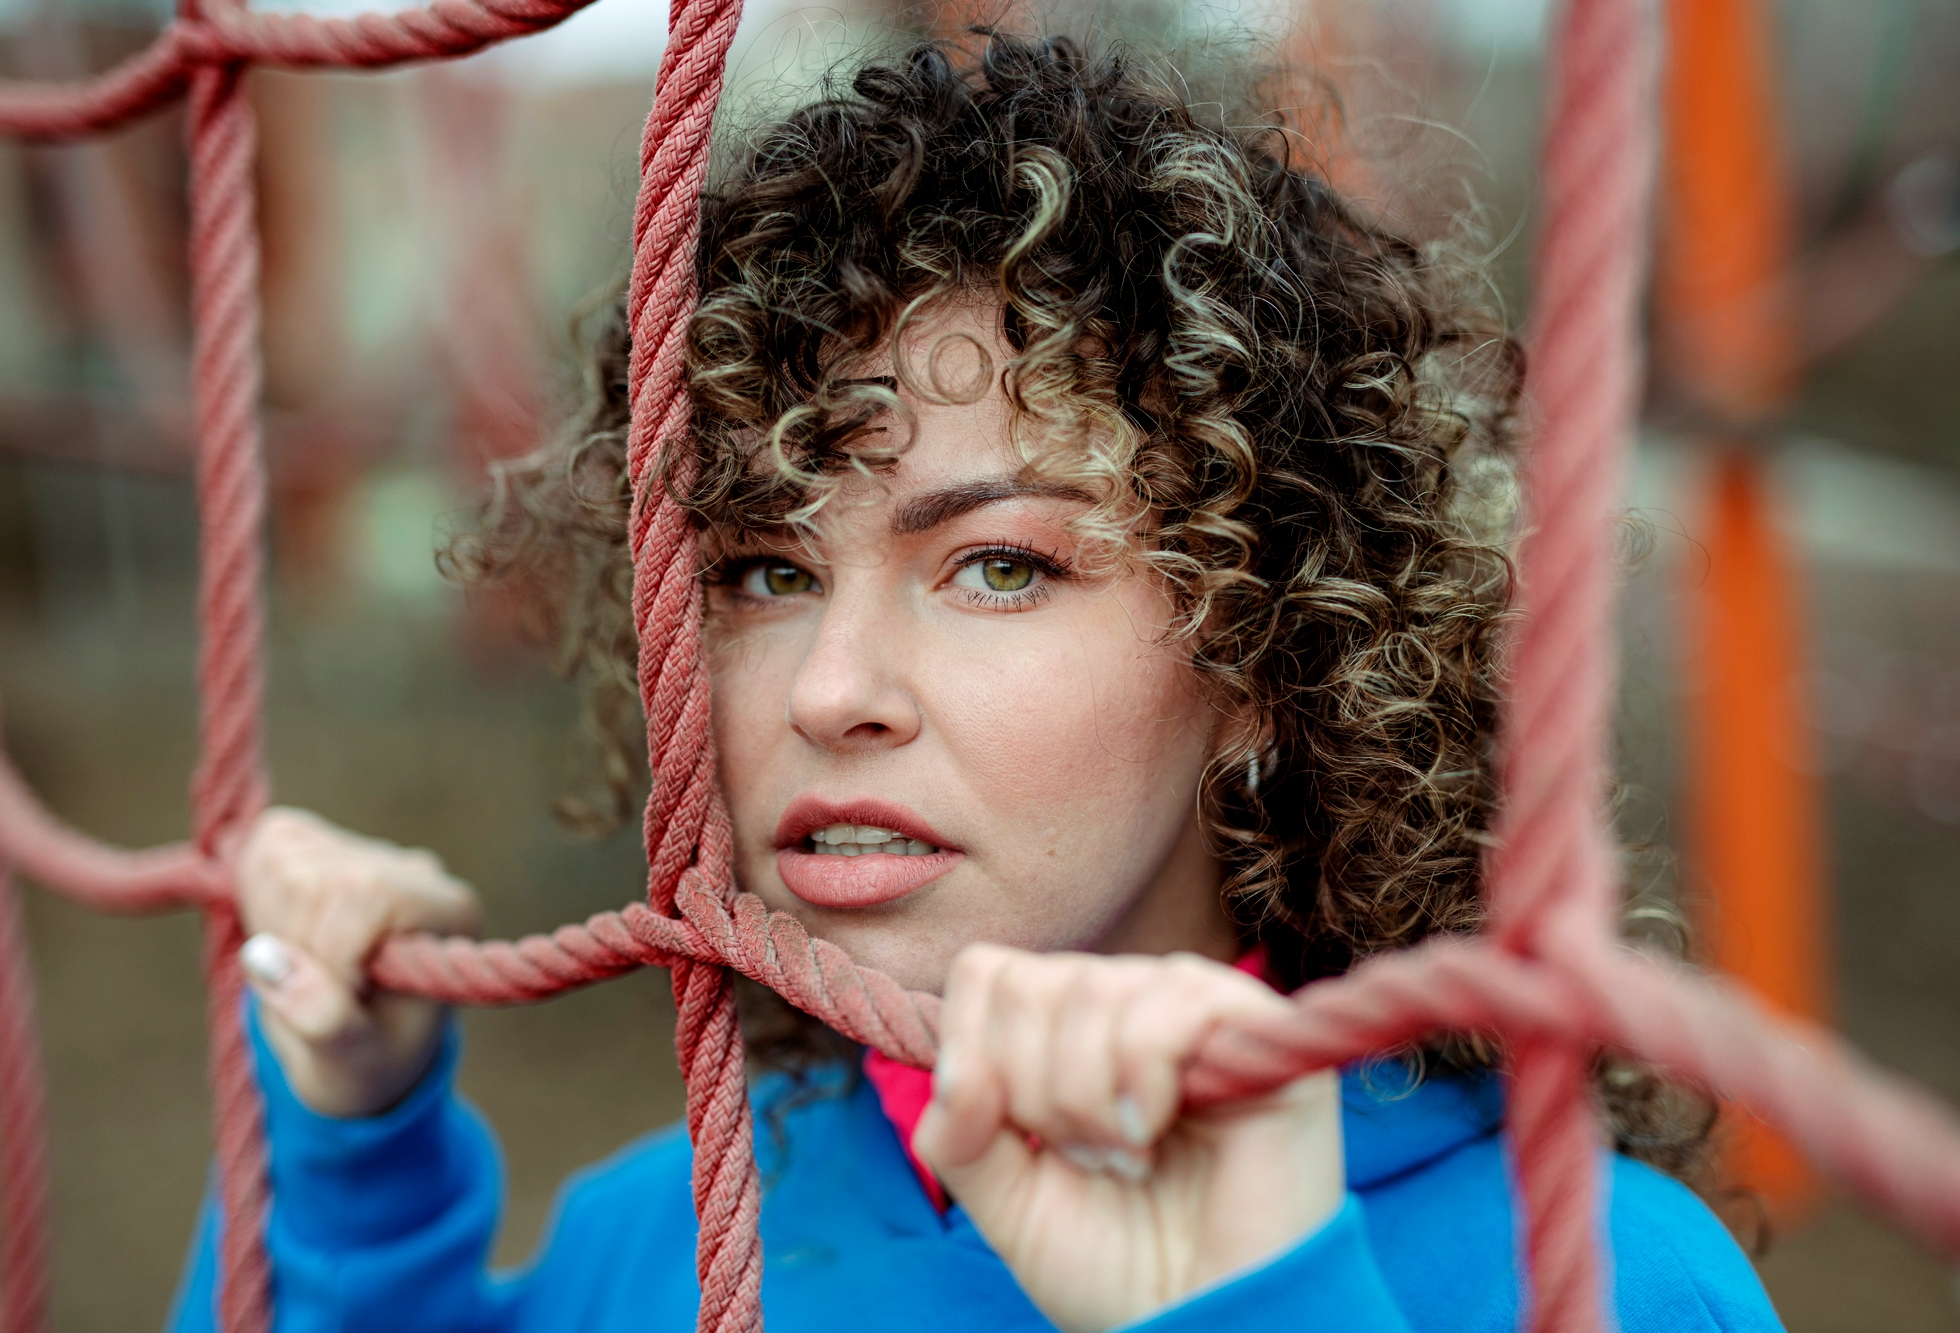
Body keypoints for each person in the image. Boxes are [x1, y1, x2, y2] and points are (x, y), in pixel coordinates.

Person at [170, 32, 1783, 1333]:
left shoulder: (1601, 1278)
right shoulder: (659, 1237)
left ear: (1264, 651)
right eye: (763, 572)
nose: (827, 689)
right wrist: (354, 1161)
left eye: (1001, 563)